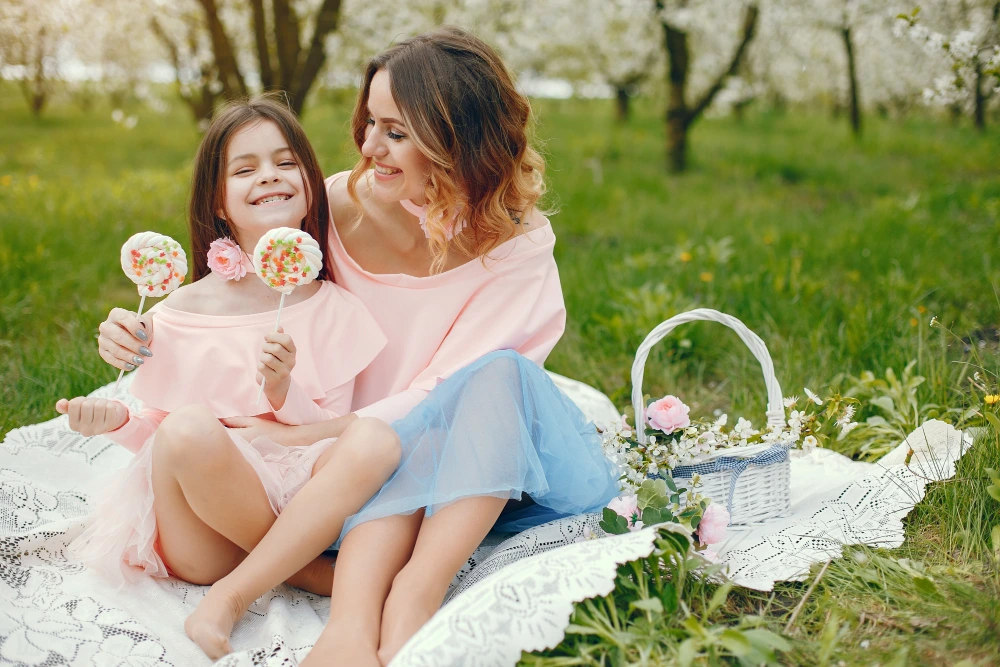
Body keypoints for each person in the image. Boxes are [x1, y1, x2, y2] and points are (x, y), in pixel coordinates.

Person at [98, 27, 619, 666]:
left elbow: (442, 400)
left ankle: (413, 597)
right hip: (323, 475)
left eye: (395, 131)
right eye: (369, 122)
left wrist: (305, 437)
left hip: (434, 469)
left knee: (501, 379)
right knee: (352, 449)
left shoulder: (515, 246)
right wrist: (144, 333)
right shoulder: (333, 206)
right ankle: (316, 579)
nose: (369, 147)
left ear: (458, 141)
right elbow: (242, 292)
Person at [60, 96, 401, 599]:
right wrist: (118, 422)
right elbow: (168, 445)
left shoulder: (333, 308)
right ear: (218, 203)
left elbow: (330, 434)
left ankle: (283, 561)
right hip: (202, 539)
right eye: (245, 169)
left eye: (286, 162)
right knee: (188, 425)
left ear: (309, 183)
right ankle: (301, 572)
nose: (269, 175)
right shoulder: (181, 310)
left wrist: (283, 391)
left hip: (296, 511)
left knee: (372, 438)